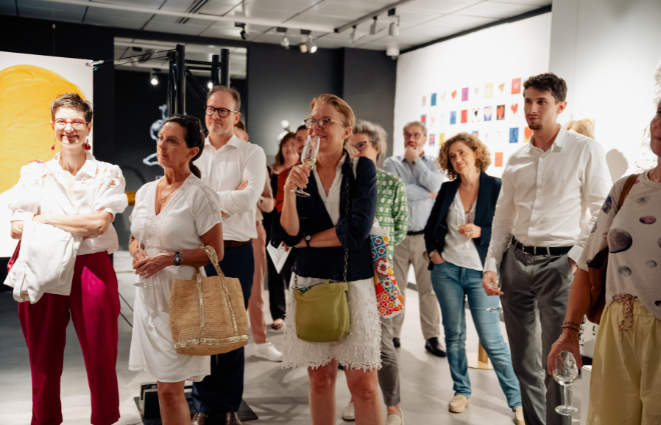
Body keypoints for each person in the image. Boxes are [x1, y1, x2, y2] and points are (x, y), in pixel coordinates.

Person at [482, 73, 611, 425]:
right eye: (528, 100)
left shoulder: (585, 150)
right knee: (523, 362)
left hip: (560, 263)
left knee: (558, 362)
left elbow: (601, 211)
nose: (532, 108)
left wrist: (574, 258)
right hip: (515, 262)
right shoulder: (517, 157)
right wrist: (492, 263)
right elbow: (503, 217)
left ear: (560, 106)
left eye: (541, 101)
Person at [8, 93, 128, 425]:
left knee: (101, 357)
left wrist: (44, 219)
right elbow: (16, 228)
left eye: (76, 122)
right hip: (42, 266)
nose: (68, 129)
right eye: (61, 121)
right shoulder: (35, 173)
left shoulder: (107, 173)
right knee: (42, 360)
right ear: (52, 125)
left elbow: (99, 224)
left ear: (88, 127)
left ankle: (104, 419)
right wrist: (75, 224)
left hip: (92, 269)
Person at [271, 94, 382, 425]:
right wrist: (289, 192)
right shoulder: (298, 173)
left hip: (355, 283)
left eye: (325, 121)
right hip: (311, 283)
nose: (316, 127)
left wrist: (307, 241)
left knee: (364, 386)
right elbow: (288, 234)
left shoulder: (362, 169)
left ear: (346, 131)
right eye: (312, 121)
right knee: (320, 380)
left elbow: (357, 230)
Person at [547, 100, 661, 424]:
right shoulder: (626, 188)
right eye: (660, 112)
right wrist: (569, 332)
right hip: (618, 328)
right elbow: (587, 264)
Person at [128, 115, 224, 425]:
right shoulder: (145, 191)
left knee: (171, 388)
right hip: (149, 301)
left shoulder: (200, 194)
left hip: (183, 299)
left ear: (192, 151)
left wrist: (170, 258)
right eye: (161, 139)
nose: (162, 146)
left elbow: (215, 252)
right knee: (163, 386)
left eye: (172, 141)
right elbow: (134, 238)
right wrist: (138, 253)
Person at [424, 133, 523, 424]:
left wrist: (481, 232)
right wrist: (433, 253)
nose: (458, 159)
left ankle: (518, 401)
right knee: (454, 336)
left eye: (462, 153)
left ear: (476, 153)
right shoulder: (447, 188)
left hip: (483, 274)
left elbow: (512, 228)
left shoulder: (496, 186)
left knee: (492, 339)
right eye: (452, 156)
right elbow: (431, 227)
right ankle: (461, 391)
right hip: (446, 271)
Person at [192, 86, 267, 425]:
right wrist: (225, 202)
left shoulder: (251, 152)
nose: (216, 116)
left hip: (236, 252)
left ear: (236, 116)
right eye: (211, 109)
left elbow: (249, 198)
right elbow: (183, 198)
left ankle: (229, 406)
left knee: (233, 332)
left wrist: (204, 204)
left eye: (223, 111)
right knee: (203, 330)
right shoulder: (193, 151)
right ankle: (203, 404)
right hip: (198, 253)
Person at [342, 120, 408, 425]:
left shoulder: (392, 184)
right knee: (350, 338)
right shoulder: (344, 182)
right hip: (347, 270)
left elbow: (401, 227)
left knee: (383, 342)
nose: (356, 151)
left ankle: (393, 407)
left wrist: (380, 245)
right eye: (351, 146)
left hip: (380, 272)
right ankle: (356, 398)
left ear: (377, 148)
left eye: (362, 145)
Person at [383, 121, 446, 357]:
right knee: (395, 288)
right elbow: (397, 190)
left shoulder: (433, 163)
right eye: (407, 134)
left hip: (425, 239)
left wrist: (417, 162)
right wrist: (428, 193)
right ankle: (393, 335)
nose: (411, 138)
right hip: (398, 237)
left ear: (425, 138)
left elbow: (437, 184)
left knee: (428, 290)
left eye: (416, 135)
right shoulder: (391, 163)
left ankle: (432, 337)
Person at [243, 127, 283, 362]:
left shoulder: (255, 163)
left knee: (255, 289)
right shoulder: (208, 160)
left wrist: (251, 194)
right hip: (219, 230)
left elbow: (269, 204)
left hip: (253, 228)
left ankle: (260, 340)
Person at [264, 132, 300, 330]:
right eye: (286, 144)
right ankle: (278, 314)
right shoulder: (271, 171)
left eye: (294, 144)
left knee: (296, 270)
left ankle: (297, 312)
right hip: (273, 227)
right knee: (275, 270)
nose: (290, 148)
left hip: (296, 227)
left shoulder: (304, 171)